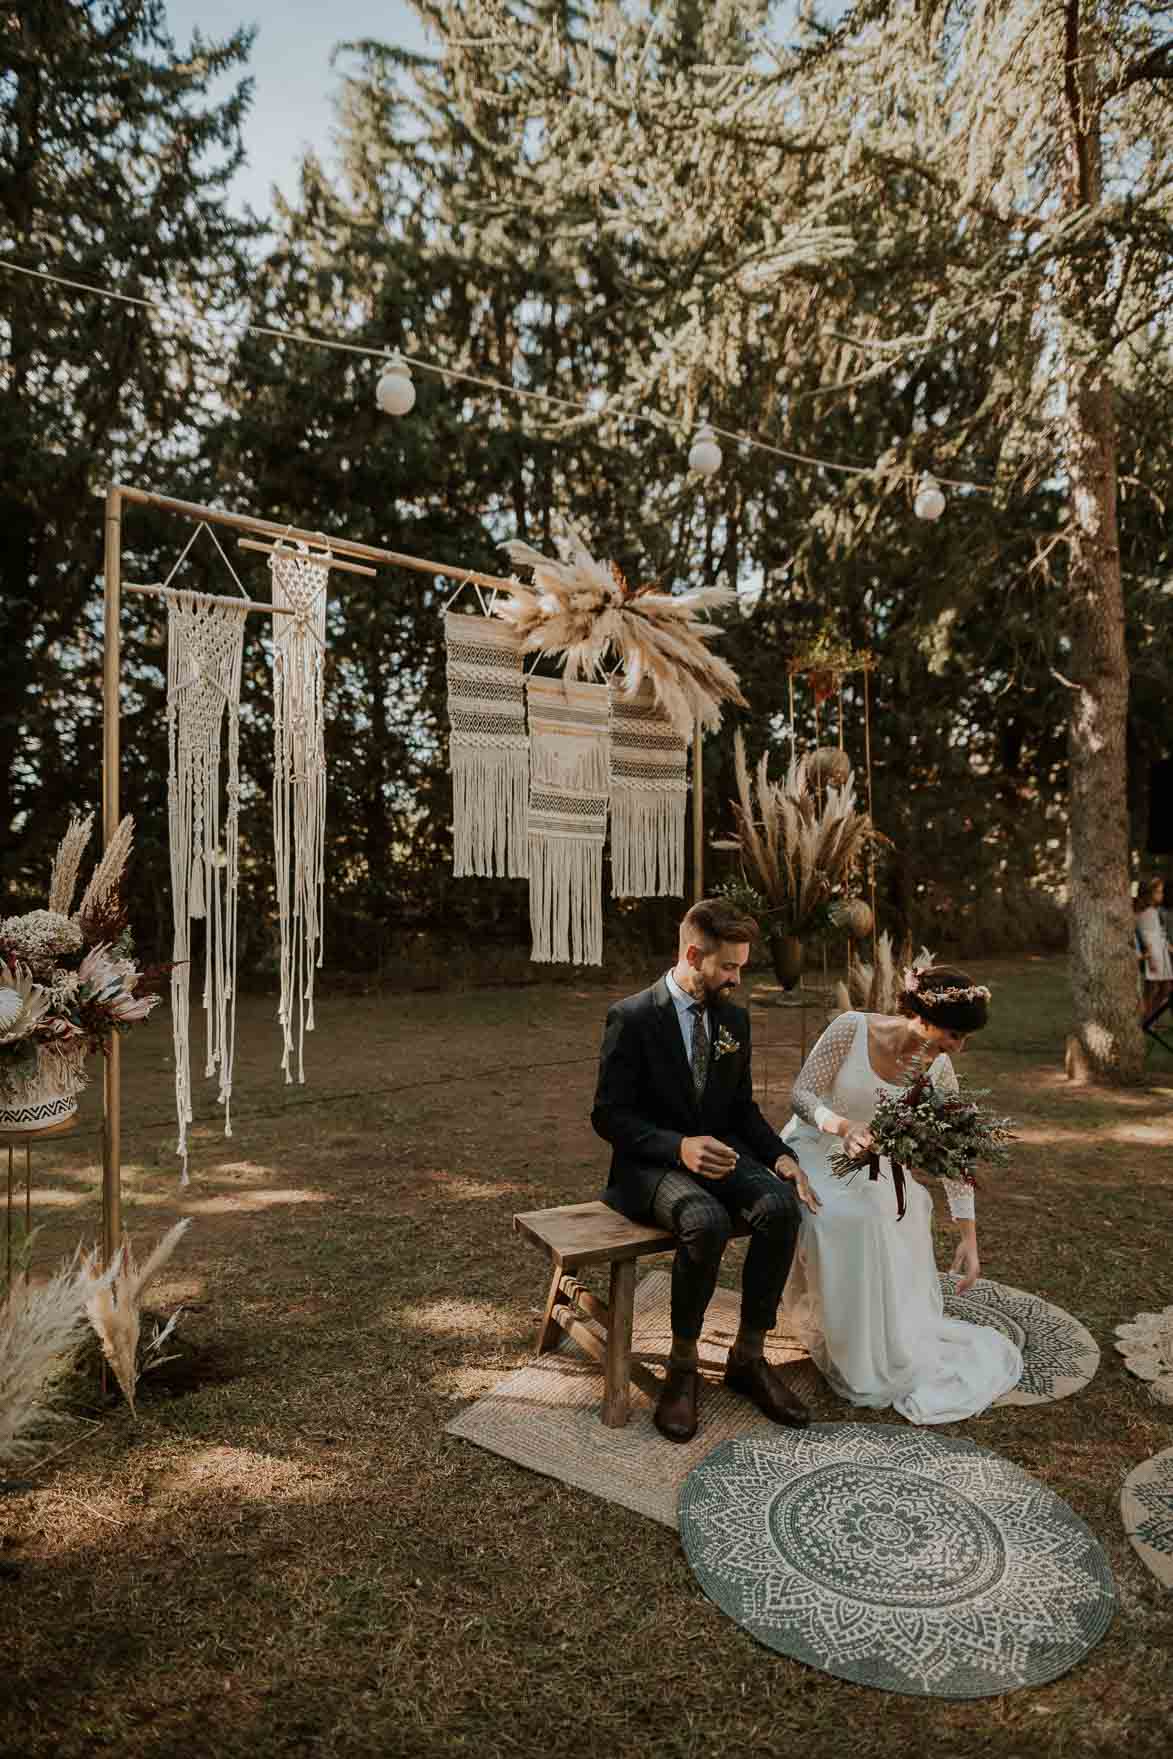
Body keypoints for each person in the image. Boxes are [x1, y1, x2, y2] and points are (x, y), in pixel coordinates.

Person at [592, 898, 819, 1443]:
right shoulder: (632, 1017)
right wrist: (678, 1148)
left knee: (780, 1206)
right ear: (693, 954)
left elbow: (740, 1109)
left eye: (741, 966)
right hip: (648, 1168)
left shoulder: (732, 1019)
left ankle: (747, 1357)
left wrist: (781, 1157)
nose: (738, 978)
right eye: (729, 966)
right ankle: (684, 1367)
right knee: (707, 1221)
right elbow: (608, 1116)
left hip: (717, 1154)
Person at [780, 966, 1023, 1425]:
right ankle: (848, 1343)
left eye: (964, 1039)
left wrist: (969, 1238)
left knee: (897, 1211)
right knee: (846, 1219)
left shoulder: (939, 1069)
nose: (957, 1047)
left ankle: (877, 1342)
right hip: (813, 1147)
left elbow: (956, 1155)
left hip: (870, 1163)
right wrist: (842, 1126)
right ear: (922, 1015)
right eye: (954, 1034)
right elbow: (802, 1094)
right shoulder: (850, 1028)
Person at [1133, 876, 1172, 1020]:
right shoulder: (1139, 911)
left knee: (1166, 988)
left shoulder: (1154, 910)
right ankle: (1144, 1020)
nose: (1161, 895)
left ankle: (1149, 1018)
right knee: (1151, 989)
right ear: (1149, 893)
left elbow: (1159, 933)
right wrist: (1149, 957)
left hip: (1161, 952)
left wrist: (1168, 946)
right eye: (1158, 892)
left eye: (1161, 892)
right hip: (1153, 954)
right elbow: (1143, 935)